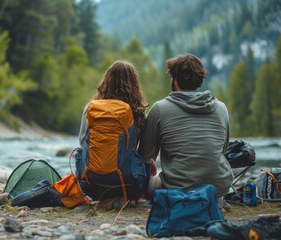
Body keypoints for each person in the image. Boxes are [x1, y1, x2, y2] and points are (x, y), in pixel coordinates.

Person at [139, 53, 234, 200]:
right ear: (199, 81)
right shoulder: (221, 108)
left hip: (177, 189)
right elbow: (222, 149)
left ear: (175, 81)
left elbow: (145, 156)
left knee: (150, 184)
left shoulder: (160, 108)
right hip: (218, 187)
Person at [76, 60, 148, 204]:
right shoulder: (139, 113)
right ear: (134, 84)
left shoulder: (90, 108)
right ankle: (139, 196)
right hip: (127, 186)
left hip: (91, 184)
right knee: (144, 158)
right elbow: (143, 150)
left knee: (79, 150)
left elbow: (82, 141)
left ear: (106, 81)